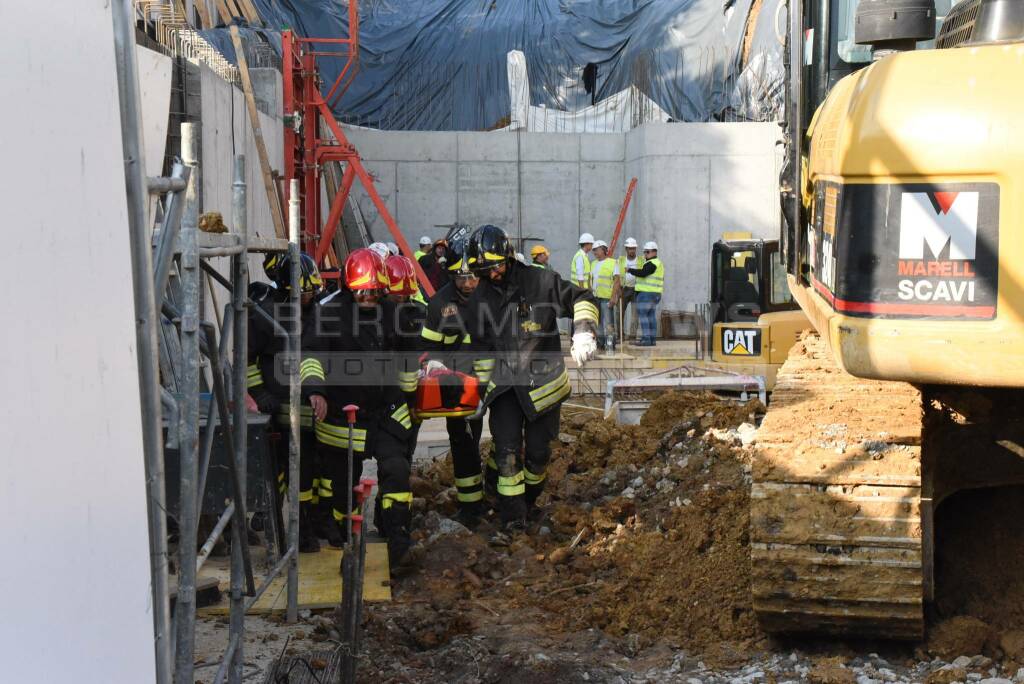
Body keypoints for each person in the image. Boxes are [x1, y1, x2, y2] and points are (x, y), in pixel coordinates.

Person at [466, 225, 598, 537]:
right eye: (484, 270)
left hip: (544, 388)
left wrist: (583, 329)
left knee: (538, 456)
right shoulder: (479, 300)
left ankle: (528, 501)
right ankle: (513, 520)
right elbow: (482, 352)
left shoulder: (540, 281)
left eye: (496, 266)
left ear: (508, 258)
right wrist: (477, 395)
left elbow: (582, 297)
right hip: (506, 392)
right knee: (507, 454)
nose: (493, 274)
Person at [303, 248, 418, 573]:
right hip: (343, 414)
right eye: (362, 292)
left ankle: (399, 545)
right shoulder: (328, 314)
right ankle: (348, 550)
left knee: (397, 472)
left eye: (375, 291)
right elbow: (310, 356)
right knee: (344, 490)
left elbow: (407, 362)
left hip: (386, 410)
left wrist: (410, 402)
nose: (369, 297)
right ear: (350, 287)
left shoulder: (393, 314)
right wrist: (315, 391)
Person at [247, 252, 331, 552]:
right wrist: (259, 394)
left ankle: (305, 528)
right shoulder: (266, 315)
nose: (310, 297)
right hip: (277, 408)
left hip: (307, 412)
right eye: (305, 292)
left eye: (313, 292)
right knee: (283, 470)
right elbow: (246, 360)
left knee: (308, 470)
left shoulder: (316, 314)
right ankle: (282, 530)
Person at [419, 238, 488, 526]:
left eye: (473, 276)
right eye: (462, 278)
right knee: (462, 442)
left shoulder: (491, 297)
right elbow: (430, 348)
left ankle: (498, 493)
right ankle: (471, 507)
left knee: (504, 438)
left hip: (490, 381)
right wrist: (434, 366)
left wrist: (488, 390)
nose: (469, 284)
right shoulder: (440, 304)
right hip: (456, 387)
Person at [628, 241, 664, 346]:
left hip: (647, 294)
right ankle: (652, 339)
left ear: (654, 252)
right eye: (645, 252)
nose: (645, 254)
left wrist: (630, 270)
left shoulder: (652, 263)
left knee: (643, 315)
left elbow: (643, 273)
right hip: (655, 294)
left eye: (647, 252)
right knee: (651, 315)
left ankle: (646, 339)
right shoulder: (658, 263)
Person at [590, 240, 621, 352]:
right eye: (593, 250)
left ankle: (610, 345)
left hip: (607, 298)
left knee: (608, 323)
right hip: (595, 298)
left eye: (596, 250)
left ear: (603, 249)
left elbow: (617, 281)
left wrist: (614, 297)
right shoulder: (593, 264)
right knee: (597, 323)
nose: (594, 252)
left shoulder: (613, 263)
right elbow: (591, 280)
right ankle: (600, 343)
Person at [618, 237, 643, 343]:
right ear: (626, 249)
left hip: (636, 289)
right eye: (630, 248)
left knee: (635, 315)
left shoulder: (641, 260)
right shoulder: (621, 260)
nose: (632, 250)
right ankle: (620, 335)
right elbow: (616, 275)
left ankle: (632, 336)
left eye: (633, 248)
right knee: (619, 313)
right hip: (623, 289)